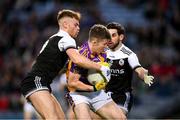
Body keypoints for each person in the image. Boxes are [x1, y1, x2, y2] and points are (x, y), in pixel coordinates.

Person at [20, 9, 110, 119]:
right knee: (52, 117)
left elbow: (53, 65)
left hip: (42, 82)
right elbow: (77, 59)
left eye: (79, 25)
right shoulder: (66, 38)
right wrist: (101, 67)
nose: (78, 28)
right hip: (36, 81)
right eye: (76, 25)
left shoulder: (54, 39)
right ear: (65, 24)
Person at [66, 24, 126, 120]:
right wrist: (92, 88)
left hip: (97, 93)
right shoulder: (80, 55)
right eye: (104, 44)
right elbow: (72, 83)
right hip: (78, 94)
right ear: (94, 42)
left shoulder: (103, 52)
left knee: (120, 118)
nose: (106, 47)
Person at [105, 22, 154, 116]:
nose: (109, 39)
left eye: (113, 35)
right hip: (103, 95)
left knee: (116, 117)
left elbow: (139, 69)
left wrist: (144, 75)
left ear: (121, 37)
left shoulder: (129, 54)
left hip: (121, 96)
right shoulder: (103, 51)